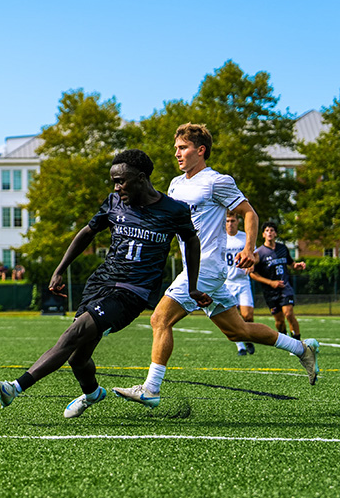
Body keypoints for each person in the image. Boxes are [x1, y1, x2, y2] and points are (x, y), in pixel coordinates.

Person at [0, 149, 208, 418]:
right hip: (101, 283)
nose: (116, 187)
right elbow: (87, 232)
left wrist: (193, 286)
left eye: (121, 181)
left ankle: (15, 387)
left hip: (132, 293)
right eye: (114, 181)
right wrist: (60, 269)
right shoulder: (114, 202)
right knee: (77, 357)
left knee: (73, 333)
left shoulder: (174, 210)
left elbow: (192, 242)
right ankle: (93, 393)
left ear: (141, 178)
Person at [113, 124, 319, 408]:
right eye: (176, 148)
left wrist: (249, 249)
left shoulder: (217, 181)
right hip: (197, 269)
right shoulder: (176, 184)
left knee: (160, 319)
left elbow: (249, 214)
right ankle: (302, 348)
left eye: (183, 148)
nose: (177, 153)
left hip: (208, 267)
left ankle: (151, 389)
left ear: (201, 150)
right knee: (239, 332)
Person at [249, 222, 307, 341]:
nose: (269, 232)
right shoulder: (259, 253)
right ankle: (285, 340)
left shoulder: (282, 248)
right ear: (263, 234)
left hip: (285, 287)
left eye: (272, 230)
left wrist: (297, 266)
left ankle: (297, 342)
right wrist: (271, 283)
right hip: (270, 291)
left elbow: (291, 264)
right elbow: (252, 274)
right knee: (279, 321)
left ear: (275, 233)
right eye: (267, 230)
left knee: (289, 314)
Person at [224, 212, 256, 356]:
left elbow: (255, 255)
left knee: (248, 315)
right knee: (232, 316)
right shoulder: (220, 237)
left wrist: (252, 263)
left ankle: (248, 337)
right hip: (226, 283)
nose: (230, 224)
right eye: (228, 221)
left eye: (233, 221)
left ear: (238, 222)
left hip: (243, 281)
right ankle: (240, 346)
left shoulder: (244, 237)